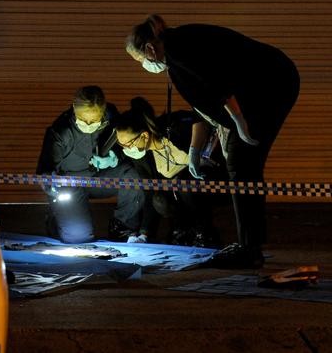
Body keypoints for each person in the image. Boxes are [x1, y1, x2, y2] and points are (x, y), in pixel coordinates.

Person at [125, 15, 300, 268]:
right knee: (243, 165)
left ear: (150, 49)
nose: (145, 65)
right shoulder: (177, 54)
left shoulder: (180, 48)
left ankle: (249, 249)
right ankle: (250, 246)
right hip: (266, 83)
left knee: (242, 164)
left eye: (141, 60)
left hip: (269, 84)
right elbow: (202, 106)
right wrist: (195, 151)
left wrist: (239, 121)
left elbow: (218, 84)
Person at [36, 85, 145, 244]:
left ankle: (123, 228)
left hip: (100, 178)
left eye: (94, 120)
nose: (88, 124)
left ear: (103, 111)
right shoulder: (61, 132)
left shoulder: (111, 117)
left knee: (132, 176)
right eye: (83, 119)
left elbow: (123, 145)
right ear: (74, 108)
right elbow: (44, 170)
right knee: (79, 239)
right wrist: (51, 184)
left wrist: (114, 158)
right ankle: (56, 218)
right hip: (71, 184)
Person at [116, 96, 221, 247]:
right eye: (121, 144)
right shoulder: (143, 157)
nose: (126, 149)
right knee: (159, 200)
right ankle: (181, 230)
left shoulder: (173, 128)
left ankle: (204, 232)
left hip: (208, 180)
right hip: (177, 196)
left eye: (128, 144)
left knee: (184, 182)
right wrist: (144, 233)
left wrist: (195, 151)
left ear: (144, 135)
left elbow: (200, 120)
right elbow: (150, 190)